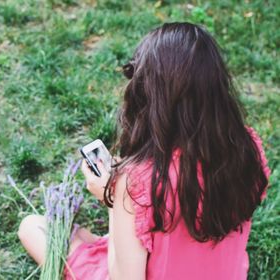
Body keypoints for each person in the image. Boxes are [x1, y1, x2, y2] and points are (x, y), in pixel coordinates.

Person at [17, 22, 270, 280]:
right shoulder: (246, 146)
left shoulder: (139, 182)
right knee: (93, 239)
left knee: (33, 227)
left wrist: (113, 200)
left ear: (149, 96)